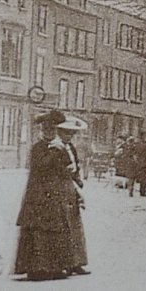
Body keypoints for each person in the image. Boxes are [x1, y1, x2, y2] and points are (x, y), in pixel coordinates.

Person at [14, 110, 78, 281]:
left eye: (52, 130)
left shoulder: (59, 147)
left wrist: (70, 169)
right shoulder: (38, 148)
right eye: (47, 130)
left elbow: (65, 167)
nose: (50, 133)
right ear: (43, 131)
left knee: (55, 230)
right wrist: (54, 152)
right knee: (39, 232)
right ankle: (37, 268)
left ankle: (55, 267)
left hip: (54, 194)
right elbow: (41, 167)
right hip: (38, 195)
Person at [56, 116, 90, 276]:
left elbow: (76, 167)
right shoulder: (56, 148)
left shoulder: (71, 148)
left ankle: (77, 262)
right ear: (60, 132)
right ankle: (66, 262)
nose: (69, 136)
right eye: (67, 133)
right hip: (61, 188)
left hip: (71, 188)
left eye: (72, 134)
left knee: (75, 226)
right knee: (65, 225)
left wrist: (78, 181)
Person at [130, 132, 146, 197]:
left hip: (135, 163)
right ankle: (142, 192)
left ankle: (131, 190)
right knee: (143, 179)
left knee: (133, 178)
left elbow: (131, 152)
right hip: (143, 164)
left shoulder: (135, 144)